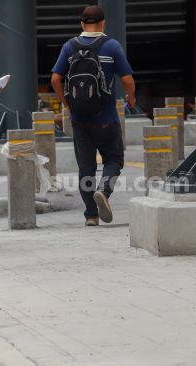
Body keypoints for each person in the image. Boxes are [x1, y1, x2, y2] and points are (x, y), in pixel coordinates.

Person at [51, 5, 136, 227]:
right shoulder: (112, 46)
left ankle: (91, 215)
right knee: (114, 159)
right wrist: (131, 97)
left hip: (79, 119)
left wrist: (66, 102)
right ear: (103, 23)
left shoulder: (69, 47)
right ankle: (103, 191)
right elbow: (127, 79)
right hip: (106, 117)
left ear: (81, 24)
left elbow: (55, 79)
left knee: (86, 167)